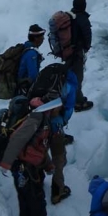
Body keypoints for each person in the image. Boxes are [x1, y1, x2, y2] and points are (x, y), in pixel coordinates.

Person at [0, 97, 62, 216]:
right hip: (23, 167)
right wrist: (6, 164)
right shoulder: (36, 119)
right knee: (34, 199)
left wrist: (48, 165)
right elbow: (17, 139)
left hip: (28, 166)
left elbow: (38, 147)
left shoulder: (41, 119)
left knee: (27, 198)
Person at [49, 68, 78, 205]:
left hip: (38, 119)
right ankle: (57, 191)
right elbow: (68, 108)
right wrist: (62, 121)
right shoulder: (70, 85)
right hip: (55, 124)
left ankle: (37, 175)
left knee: (40, 148)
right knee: (59, 158)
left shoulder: (49, 80)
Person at [69, 0, 93, 112]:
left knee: (69, 76)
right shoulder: (82, 18)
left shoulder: (69, 15)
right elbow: (87, 36)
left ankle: (70, 97)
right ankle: (78, 103)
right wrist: (86, 48)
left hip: (67, 51)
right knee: (77, 78)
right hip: (76, 52)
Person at [16, 24, 45, 94]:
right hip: (24, 91)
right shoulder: (31, 53)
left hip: (22, 89)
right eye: (42, 36)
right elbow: (33, 76)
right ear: (36, 38)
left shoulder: (27, 50)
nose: (43, 39)